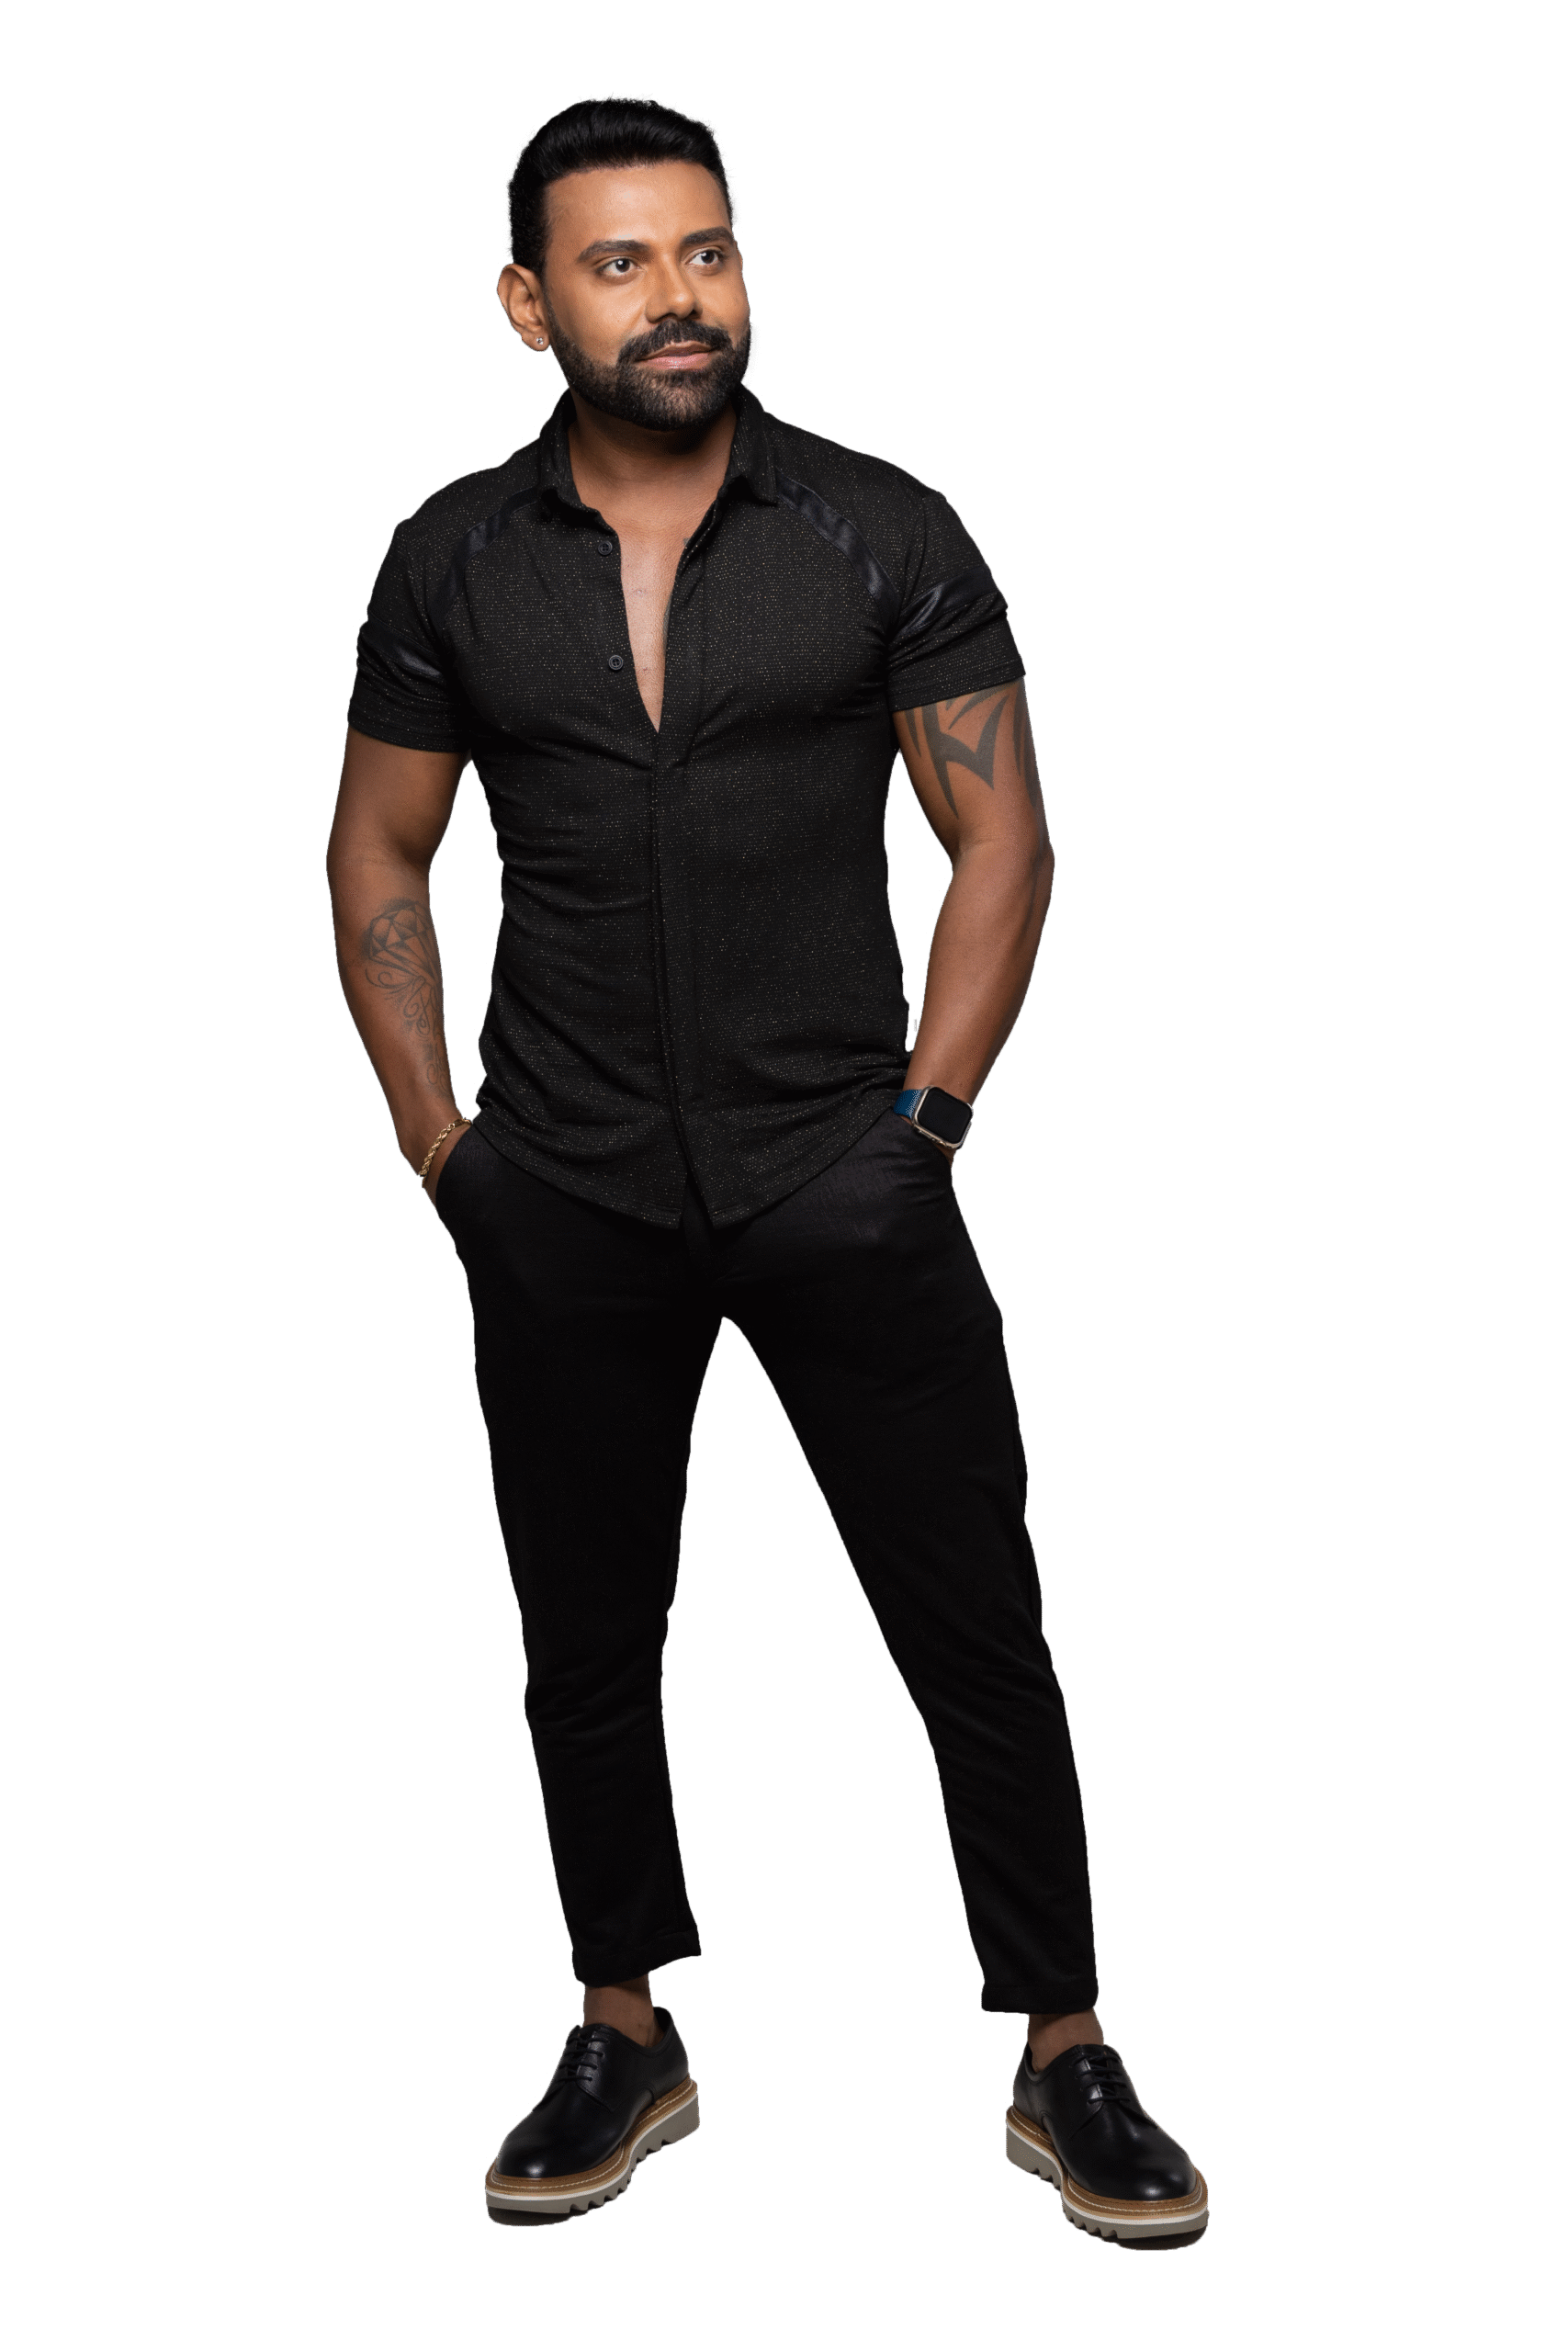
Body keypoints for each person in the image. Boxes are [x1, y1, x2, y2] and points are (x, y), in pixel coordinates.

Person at [326, 96, 1206, 2239]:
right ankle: (622, 2021)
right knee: (583, 1632)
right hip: (564, 1185)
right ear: (529, 301)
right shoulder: (451, 558)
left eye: (705, 251)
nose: (678, 298)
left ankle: (1066, 2043)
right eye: (620, 262)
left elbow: (1003, 835)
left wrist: (928, 1126)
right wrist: (444, 1148)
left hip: (842, 1172)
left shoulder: (877, 528)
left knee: (976, 1618)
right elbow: (378, 850)